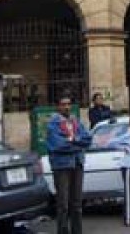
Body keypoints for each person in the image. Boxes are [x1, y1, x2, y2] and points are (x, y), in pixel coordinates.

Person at [46, 94, 92, 234]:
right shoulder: (53, 124)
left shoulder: (75, 121)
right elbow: (58, 145)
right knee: (63, 204)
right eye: (63, 104)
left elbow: (87, 139)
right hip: (62, 166)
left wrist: (73, 139)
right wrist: (77, 144)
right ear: (58, 106)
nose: (67, 107)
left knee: (77, 204)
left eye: (68, 104)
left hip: (77, 163)